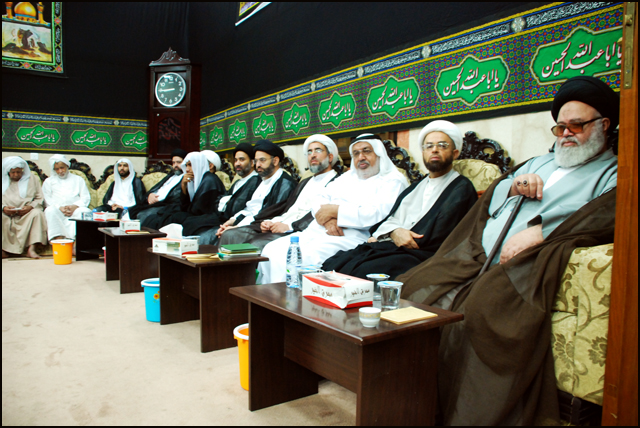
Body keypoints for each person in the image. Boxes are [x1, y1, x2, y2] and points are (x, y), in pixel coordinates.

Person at [397, 76, 619, 425]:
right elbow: (494, 197)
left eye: (576, 126)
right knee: (414, 285)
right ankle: (410, 399)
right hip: (478, 255)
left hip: (525, 264)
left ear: (603, 125)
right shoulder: (537, 163)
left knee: (480, 309)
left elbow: (604, 216)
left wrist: (543, 233)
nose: (565, 135)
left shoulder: (613, 173)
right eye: (559, 128)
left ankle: (459, 415)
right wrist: (514, 185)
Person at [322, 121, 477, 279]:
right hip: (393, 246)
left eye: (442, 145)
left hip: (421, 253)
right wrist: (394, 232)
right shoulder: (417, 186)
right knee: (334, 262)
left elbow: (437, 236)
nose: (434, 150)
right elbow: (390, 219)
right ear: (423, 152)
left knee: (364, 270)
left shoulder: (461, 188)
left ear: (455, 153)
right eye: (429, 146)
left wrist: (397, 236)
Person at [258, 133, 409, 284]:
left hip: (350, 237)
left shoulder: (393, 180)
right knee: (271, 249)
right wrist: (328, 220)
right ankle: (267, 296)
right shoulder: (347, 177)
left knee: (301, 258)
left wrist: (335, 211)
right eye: (356, 153)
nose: (361, 157)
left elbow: (377, 215)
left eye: (366, 151)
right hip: (318, 231)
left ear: (379, 153)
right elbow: (318, 200)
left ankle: (288, 297)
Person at [219, 134, 341, 250]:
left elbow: (319, 215)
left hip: (303, 230)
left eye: (318, 150)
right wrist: (271, 222)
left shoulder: (337, 182)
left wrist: (289, 226)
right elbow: (286, 209)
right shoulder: (305, 182)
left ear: (330, 157)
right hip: (283, 224)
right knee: (231, 235)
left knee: (256, 243)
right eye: (309, 152)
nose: (312, 155)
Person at [216, 139, 297, 240]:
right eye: (256, 161)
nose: (258, 165)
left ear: (275, 161)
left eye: (262, 160)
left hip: (266, 228)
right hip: (253, 224)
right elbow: (250, 209)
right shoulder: (261, 180)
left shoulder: (285, 184)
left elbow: (268, 215)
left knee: (230, 235)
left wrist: (237, 227)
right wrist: (231, 222)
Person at [196, 143, 261, 245]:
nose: (237, 164)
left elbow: (238, 206)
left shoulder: (255, 181)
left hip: (236, 221)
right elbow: (222, 201)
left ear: (252, 163)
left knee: (201, 233)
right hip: (224, 219)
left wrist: (227, 208)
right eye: (236, 160)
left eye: (241, 160)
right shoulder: (238, 182)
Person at [160, 151, 226, 236]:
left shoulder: (209, 180)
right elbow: (185, 207)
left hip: (209, 216)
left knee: (178, 218)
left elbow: (198, 210)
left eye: (190, 165)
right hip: (197, 214)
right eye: (186, 165)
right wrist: (184, 186)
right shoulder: (197, 179)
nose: (187, 169)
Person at [2, 156, 47, 259]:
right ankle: (3, 250)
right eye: (13, 172)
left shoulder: (32, 178)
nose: (16, 175)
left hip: (26, 213)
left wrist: (30, 207)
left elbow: (39, 198)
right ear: (8, 171)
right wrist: (3, 208)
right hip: (6, 214)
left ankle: (31, 249)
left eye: (19, 172)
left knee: (37, 214)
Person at [42, 154, 92, 245]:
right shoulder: (48, 181)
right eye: (57, 169)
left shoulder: (78, 179)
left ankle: (76, 244)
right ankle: (58, 241)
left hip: (75, 210)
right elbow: (47, 199)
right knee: (50, 211)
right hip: (58, 210)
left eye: (62, 168)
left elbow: (85, 197)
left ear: (67, 166)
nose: (60, 171)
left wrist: (75, 206)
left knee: (85, 212)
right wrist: (59, 207)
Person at [130, 148, 187, 224]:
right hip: (155, 203)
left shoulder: (186, 178)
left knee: (143, 215)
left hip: (167, 206)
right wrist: (150, 195)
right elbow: (156, 189)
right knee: (131, 211)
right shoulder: (170, 176)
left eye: (178, 162)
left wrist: (159, 200)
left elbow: (178, 197)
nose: (175, 165)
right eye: (173, 163)